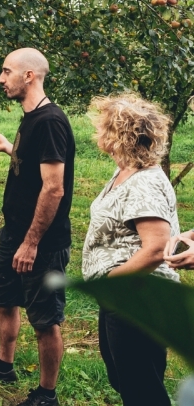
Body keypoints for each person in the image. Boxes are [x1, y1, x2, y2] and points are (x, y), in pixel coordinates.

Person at [0, 48, 75, 406]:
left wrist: (31, 243)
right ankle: (3, 367)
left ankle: (47, 394)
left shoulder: (50, 121)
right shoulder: (31, 118)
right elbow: (36, 167)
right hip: (14, 234)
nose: (1, 79)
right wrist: (11, 149)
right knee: (5, 300)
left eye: (6, 71)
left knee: (44, 318)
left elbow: (54, 186)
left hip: (41, 241)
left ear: (29, 76)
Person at [83, 94, 179, 406]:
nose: (98, 132)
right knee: (126, 379)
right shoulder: (127, 171)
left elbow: (154, 249)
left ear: (118, 135)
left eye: (103, 127)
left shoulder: (143, 183)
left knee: (141, 389)